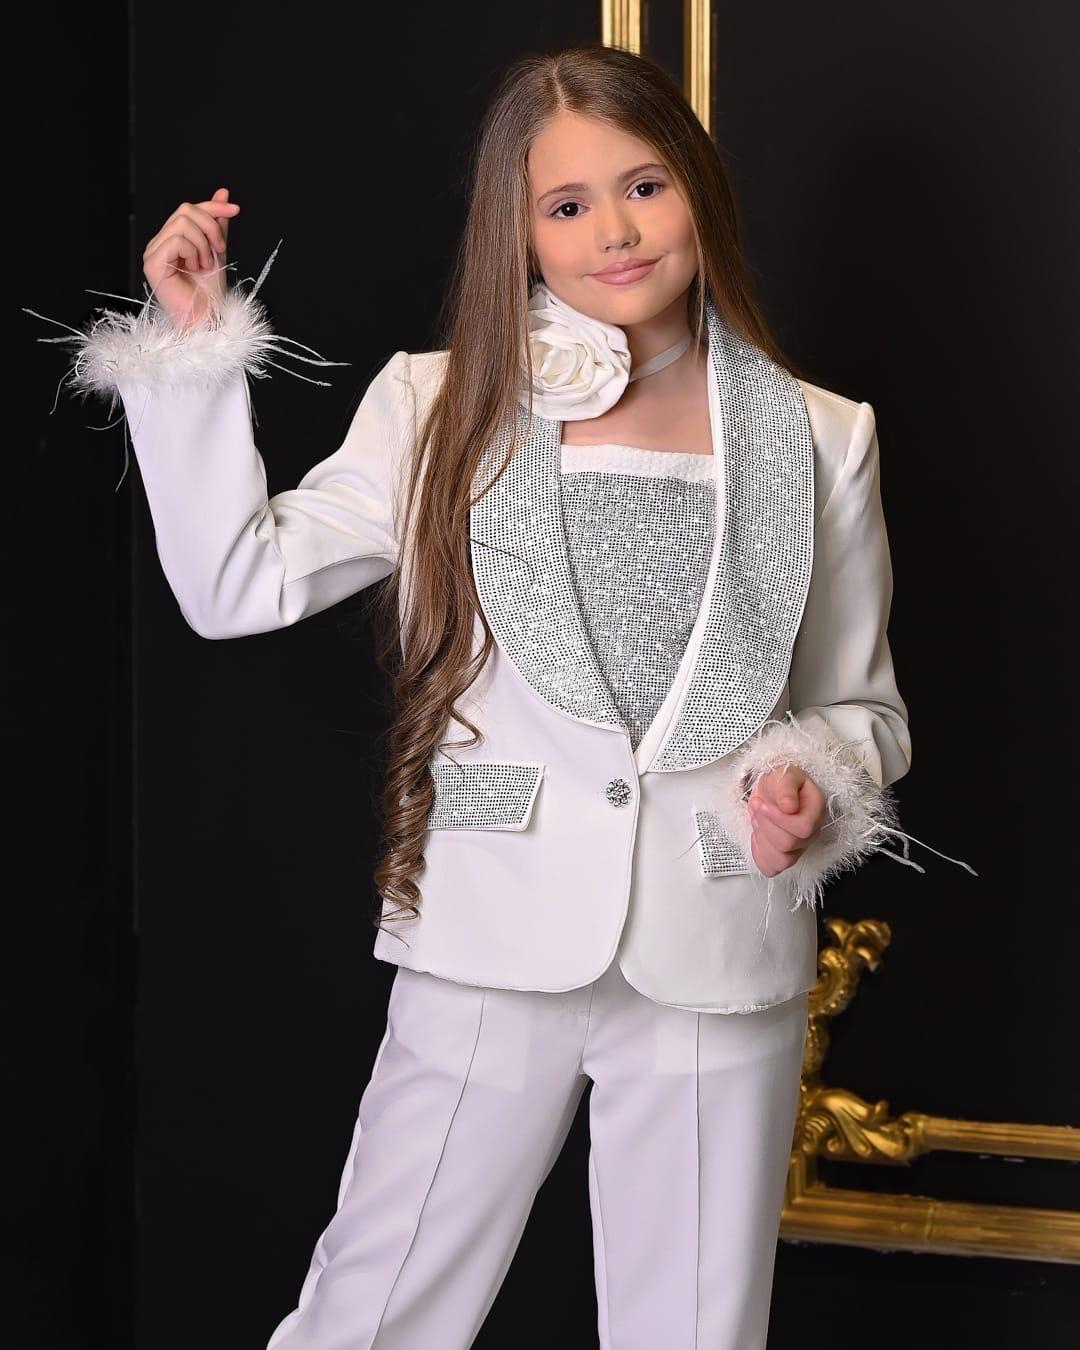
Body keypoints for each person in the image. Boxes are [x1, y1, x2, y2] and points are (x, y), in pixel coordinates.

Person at [29, 40, 976, 1350]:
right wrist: (194, 352)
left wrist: (809, 787)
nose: (614, 232)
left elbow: (867, 711)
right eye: (567, 205)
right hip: (492, 930)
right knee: (375, 1310)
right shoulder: (441, 406)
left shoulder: (822, 433)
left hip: (718, 942)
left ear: (699, 186)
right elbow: (236, 583)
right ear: (517, 233)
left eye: (643, 186)